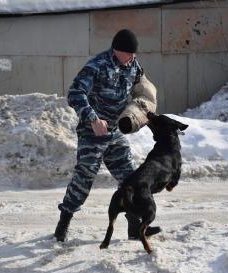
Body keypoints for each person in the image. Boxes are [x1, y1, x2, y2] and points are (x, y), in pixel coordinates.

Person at [54, 29, 160, 242]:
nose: (132, 57)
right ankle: (63, 223)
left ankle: (134, 227)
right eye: (128, 53)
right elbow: (75, 93)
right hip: (92, 131)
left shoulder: (133, 66)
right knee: (84, 178)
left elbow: (143, 91)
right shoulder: (97, 66)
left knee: (131, 179)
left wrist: (140, 114)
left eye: (134, 54)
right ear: (116, 50)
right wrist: (93, 119)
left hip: (114, 131)